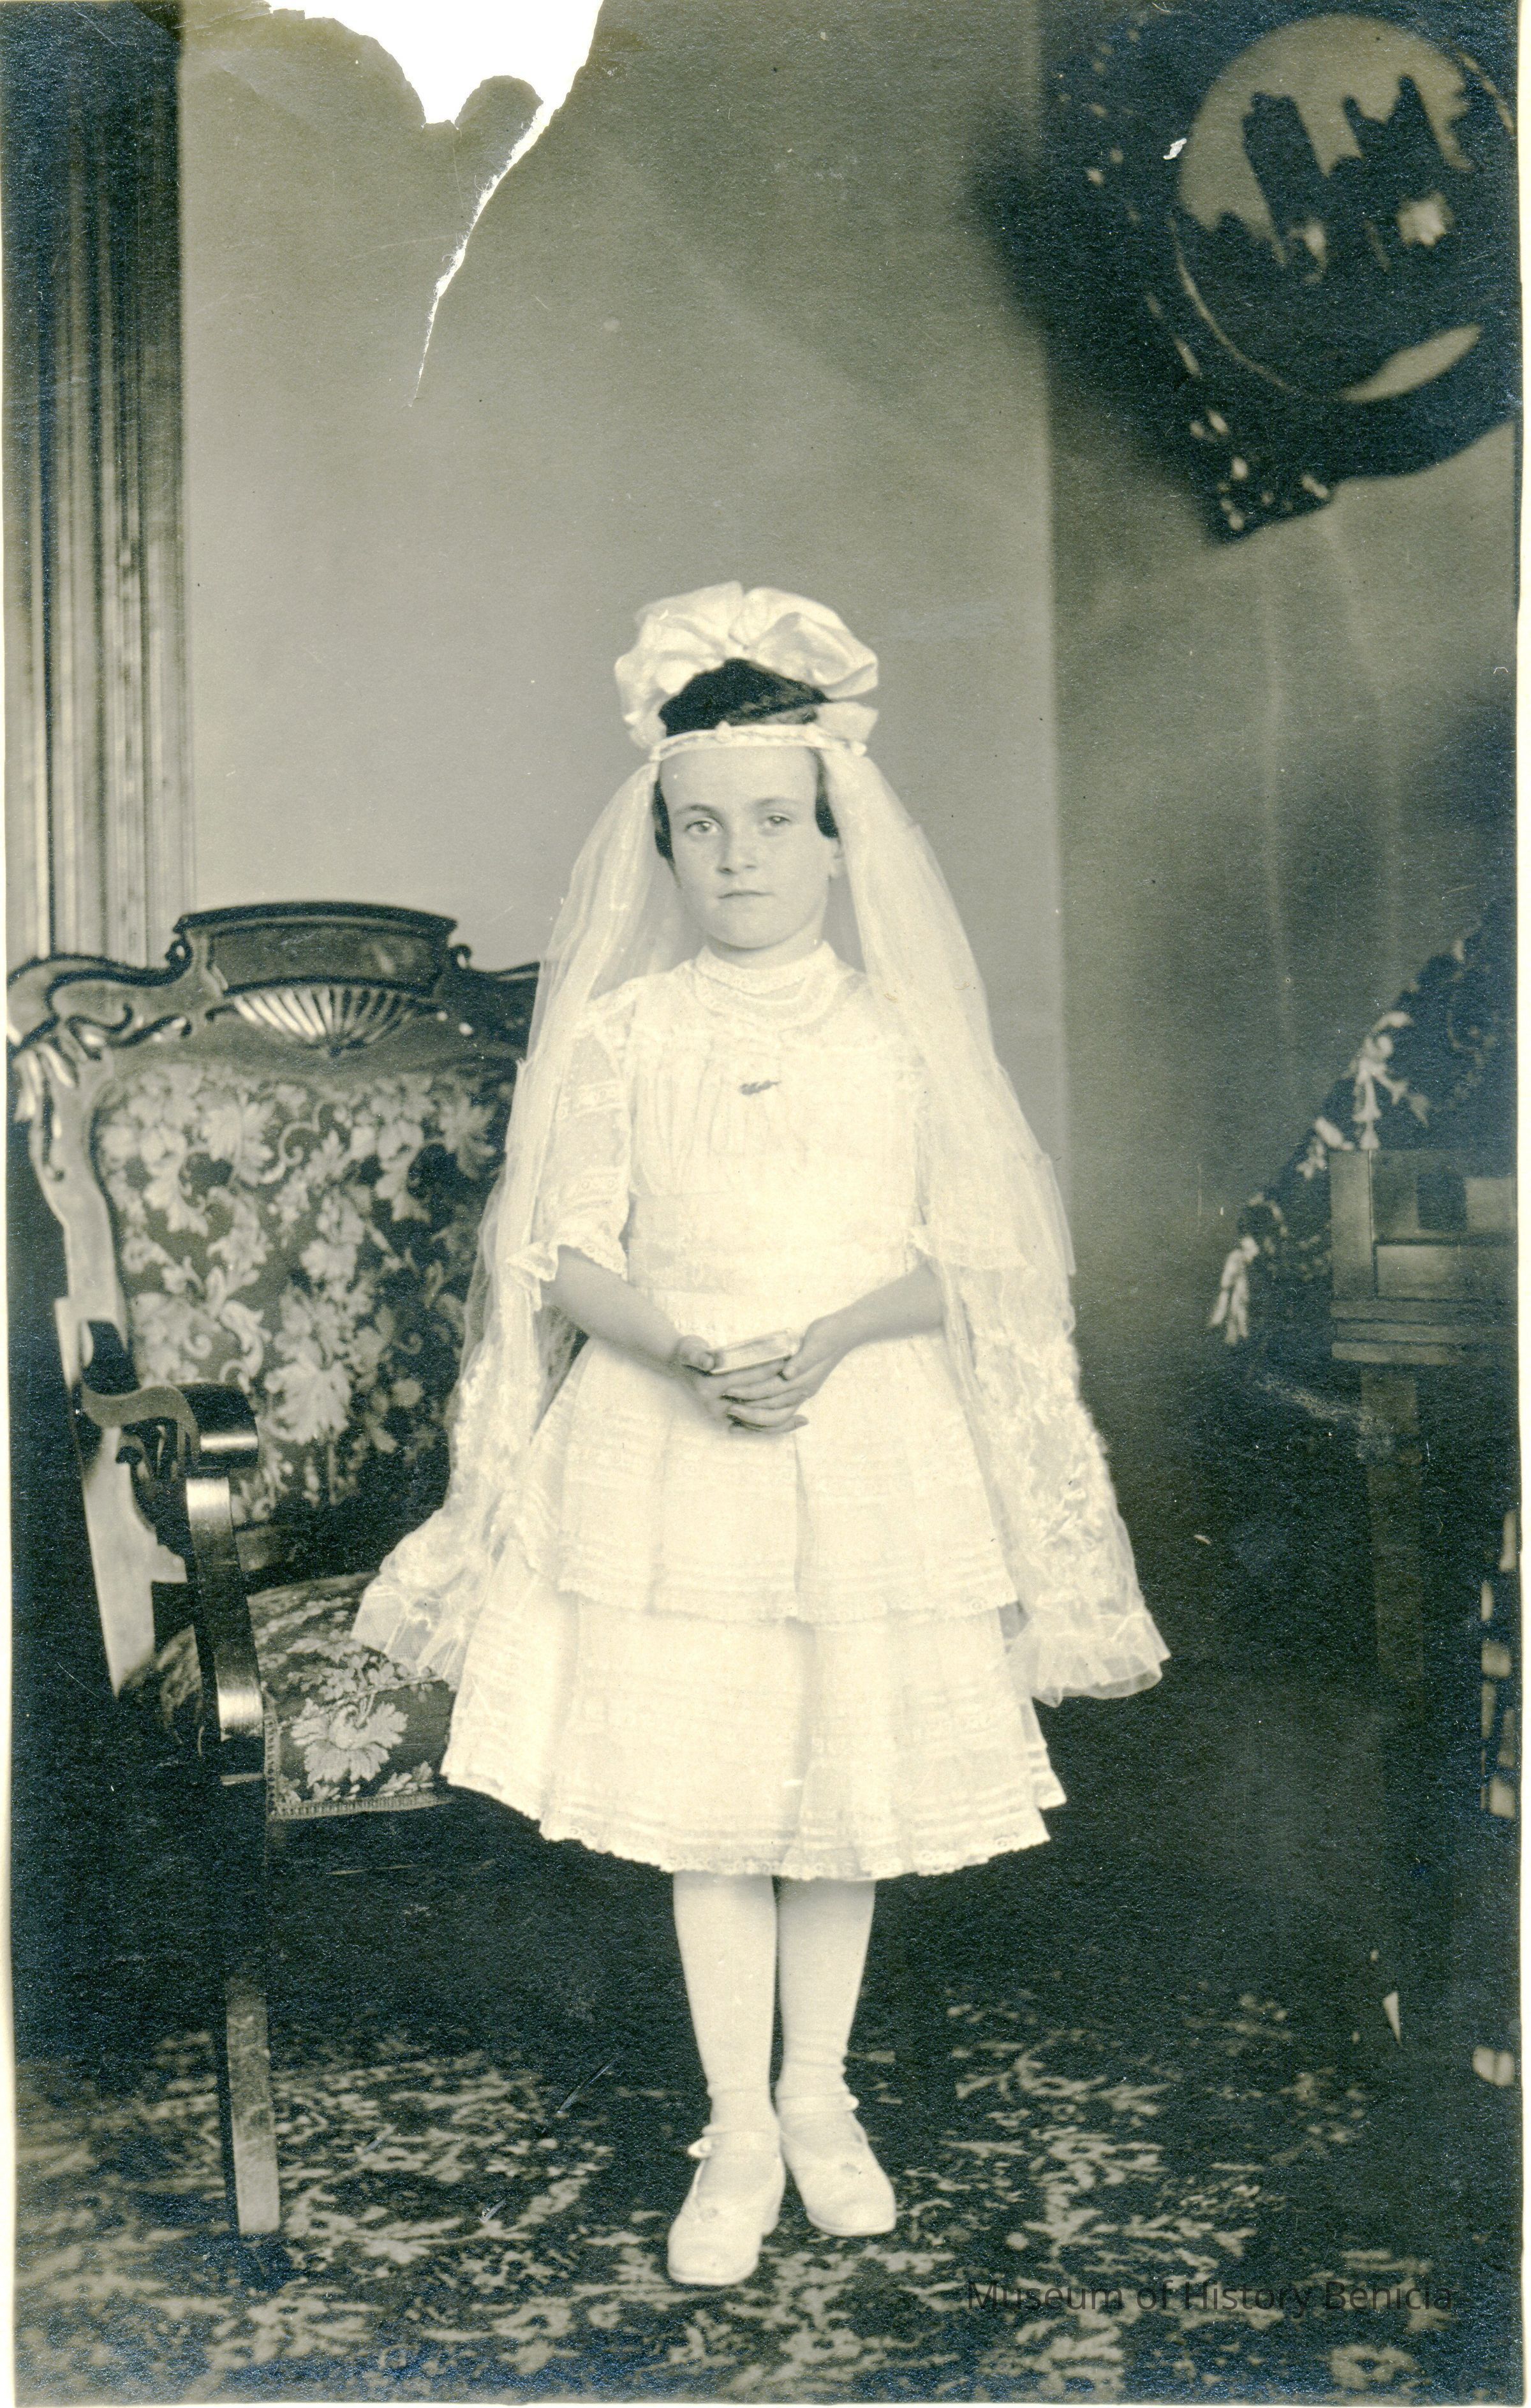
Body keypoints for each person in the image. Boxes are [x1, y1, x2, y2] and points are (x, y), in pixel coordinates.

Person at [353, 582, 1167, 2287]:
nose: (740, 860)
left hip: (865, 1430)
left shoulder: (901, 1032)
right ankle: (733, 2121)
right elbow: (564, 1254)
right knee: (714, 1799)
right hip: (672, 1436)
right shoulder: (626, 1035)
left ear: (837, 836)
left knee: (838, 1785)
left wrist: (837, 1332)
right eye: (706, 828)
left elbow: (978, 1257)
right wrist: (685, 1344)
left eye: (777, 824)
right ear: (663, 844)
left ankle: (821, 2096)